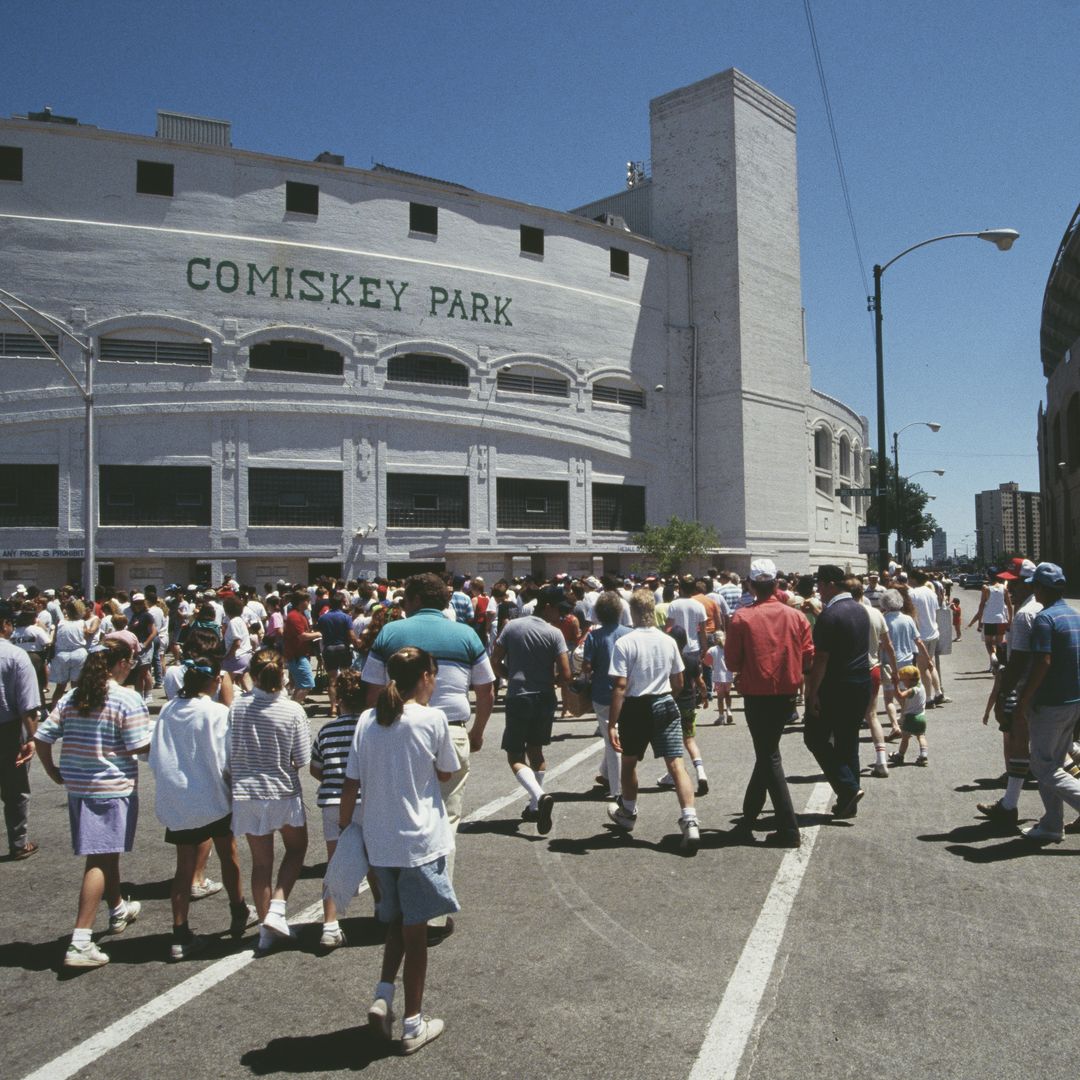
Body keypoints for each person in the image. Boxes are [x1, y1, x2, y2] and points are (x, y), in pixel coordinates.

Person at [339, 647, 460, 1054]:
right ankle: (412, 1023)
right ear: (426, 676)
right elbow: (447, 771)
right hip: (420, 840)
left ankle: (383, 992)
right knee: (417, 935)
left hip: (379, 841)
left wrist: (343, 832)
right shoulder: (433, 719)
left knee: (395, 921)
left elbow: (351, 782)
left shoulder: (366, 720)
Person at [363, 573, 494, 938]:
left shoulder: (391, 632)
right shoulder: (466, 634)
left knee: (391, 810)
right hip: (449, 729)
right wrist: (478, 731)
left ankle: (389, 905)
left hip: (393, 728)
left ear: (416, 598)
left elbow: (372, 692)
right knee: (445, 819)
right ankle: (433, 912)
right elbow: (486, 691)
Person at [34, 640, 150, 968]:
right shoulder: (127, 698)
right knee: (98, 859)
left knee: (106, 850)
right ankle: (81, 939)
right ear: (121, 664)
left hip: (79, 786)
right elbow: (140, 747)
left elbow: (43, 737)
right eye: (130, 660)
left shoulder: (73, 695)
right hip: (111, 787)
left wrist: (53, 771)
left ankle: (116, 908)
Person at [148, 653, 256, 960]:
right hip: (213, 795)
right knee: (228, 853)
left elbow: (156, 753)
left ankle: (180, 933)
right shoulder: (217, 712)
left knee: (184, 866)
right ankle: (238, 909)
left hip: (180, 798)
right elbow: (229, 756)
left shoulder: (168, 710)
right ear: (212, 681)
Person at [724, 559, 814, 847]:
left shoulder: (742, 617)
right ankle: (749, 816)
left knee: (768, 755)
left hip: (756, 691)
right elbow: (808, 655)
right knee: (767, 752)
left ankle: (788, 828)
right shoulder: (796, 616)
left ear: (750, 586)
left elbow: (732, 660)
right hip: (786, 690)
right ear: (776, 584)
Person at [605, 587, 701, 851]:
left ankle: (628, 811)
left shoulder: (625, 642)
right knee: (676, 765)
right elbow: (679, 681)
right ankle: (690, 819)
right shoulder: (668, 640)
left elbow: (620, 686)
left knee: (629, 762)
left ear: (633, 612)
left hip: (636, 707)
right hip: (665, 702)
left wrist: (612, 723)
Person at [228, 648, 310, 952]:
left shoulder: (237, 707)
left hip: (247, 792)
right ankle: (277, 906)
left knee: (261, 863)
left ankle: (267, 926)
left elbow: (229, 749)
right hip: (281, 791)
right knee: (297, 848)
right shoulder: (292, 711)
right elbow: (300, 757)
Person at [490, 585, 571, 835]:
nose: (561, 615)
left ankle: (538, 796)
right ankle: (535, 805)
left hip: (519, 695)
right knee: (536, 750)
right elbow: (566, 673)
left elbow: (494, 660)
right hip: (545, 697)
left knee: (515, 755)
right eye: (559, 610)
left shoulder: (513, 626)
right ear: (547, 606)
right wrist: (552, 683)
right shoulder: (555, 633)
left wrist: (510, 675)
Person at [1012, 563, 1080, 843]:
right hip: (1072, 701)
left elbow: (1043, 661)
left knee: (1043, 767)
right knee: (1053, 762)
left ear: (1039, 587)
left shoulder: (1045, 619)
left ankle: (1054, 822)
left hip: (1050, 703)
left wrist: (1023, 700)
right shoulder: (1072, 615)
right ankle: (1052, 824)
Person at [976, 558, 1041, 828]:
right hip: (1034, 689)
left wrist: (1008, 695)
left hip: (1028, 690)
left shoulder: (1027, 614)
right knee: (1041, 751)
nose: (1009, 588)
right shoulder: (1035, 608)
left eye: (1013, 583)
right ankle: (1010, 804)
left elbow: (1024, 661)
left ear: (1028, 583)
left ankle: (1012, 806)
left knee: (1045, 753)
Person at [803, 568, 872, 820]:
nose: (818, 590)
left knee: (814, 737)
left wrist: (812, 693)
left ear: (831, 584)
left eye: (820, 584)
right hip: (860, 682)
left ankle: (847, 787)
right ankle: (847, 801)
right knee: (848, 740)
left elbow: (821, 659)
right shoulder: (860, 609)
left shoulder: (830, 614)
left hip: (836, 684)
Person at [311, 668, 366, 950]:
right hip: (364, 801)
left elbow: (315, 767)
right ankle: (385, 910)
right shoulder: (370, 727)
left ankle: (330, 925)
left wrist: (333, 779)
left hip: (332, 801)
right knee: (377, 860)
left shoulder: (327, 729)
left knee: (334, 864)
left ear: (340, 698)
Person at [0, 600, 42, 860]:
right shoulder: (16, 656)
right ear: (5, 624)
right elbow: (28, 706)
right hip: (9, 729)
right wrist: (32, 738)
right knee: (15, 790)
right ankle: (18, 843)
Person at [581, 591, 632, 800]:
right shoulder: (629, 633)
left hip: (602, 692)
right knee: (615, 735)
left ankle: (617, 789)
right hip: (628, 691)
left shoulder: (594, 636)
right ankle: (605, 774)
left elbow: (586, 666)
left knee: (612, 740)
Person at [50, 599, 100, 708]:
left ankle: (55, 709)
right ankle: (76, 708)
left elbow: (54, 639)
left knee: (60, 686)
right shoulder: (82, 623)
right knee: (76, 685)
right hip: (79, 653)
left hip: (62, 654)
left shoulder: (60, 622)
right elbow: (86, 636)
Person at [317, 591, 356, 717]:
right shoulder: (346, 617)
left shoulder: (323, 618)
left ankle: (333, 707)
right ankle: (346, 704)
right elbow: (351, 635)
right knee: (346, 677)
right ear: (342, 603)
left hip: (329, 649)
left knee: (332, 680)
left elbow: (320, 633)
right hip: (343, 648)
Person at [283, 591, 321, 706]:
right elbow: (302, 636)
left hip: (300, 655)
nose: (309, 603)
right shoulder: (294, 616)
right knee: (307, 684)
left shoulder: (300, 614)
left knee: (300, 685)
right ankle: (295, 708)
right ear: (301, 602)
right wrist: (319, 634)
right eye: (307, 601)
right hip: (297, 656)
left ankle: (292, 708)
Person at [969, 572, 1012, 671]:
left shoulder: (986, 589)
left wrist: (980, 622)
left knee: (988, 643)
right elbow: (1009, 605)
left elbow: (981, 606)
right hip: (1001, 619)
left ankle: (993, 656)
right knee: (999, 643)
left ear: (988, 577)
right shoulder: (1004, 589)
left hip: (989, 620)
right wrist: (1010, 620)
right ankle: (998, 665)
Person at [887, 666, 929, 766]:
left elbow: (900, 695)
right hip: (922, 718)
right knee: (921, 737)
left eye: (903, 680)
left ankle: (900, 755)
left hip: (910, 718)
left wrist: (895, 684)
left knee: (905, 738)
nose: (903, 683)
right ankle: (923, 756)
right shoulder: (921, 686)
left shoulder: (912, 690)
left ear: (909, 679)